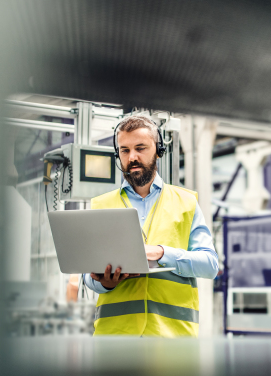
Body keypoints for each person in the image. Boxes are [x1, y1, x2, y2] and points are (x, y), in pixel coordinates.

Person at [84, 114, 219, 337]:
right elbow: (87, 277)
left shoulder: (186, 202)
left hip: (172, 339)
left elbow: (210, 264)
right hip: (115, 340)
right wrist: (104, 282)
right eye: (125, 150)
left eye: (140, 148)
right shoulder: (101, 205)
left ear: (157, 150)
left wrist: (161, 253)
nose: (132, 157)